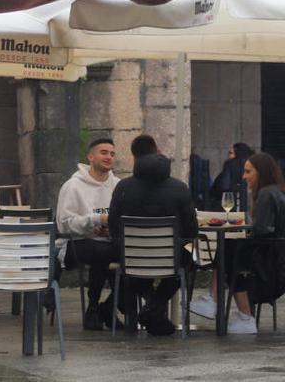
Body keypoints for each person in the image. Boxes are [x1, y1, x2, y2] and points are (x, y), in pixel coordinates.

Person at [108, 134, 198, 336]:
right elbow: (192, 230)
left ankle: (148, 309)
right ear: (157, 152)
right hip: (170, 261)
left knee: (132, 271)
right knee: (186, 262)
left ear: (134, 158)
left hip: (132, 259)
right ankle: (154, 308)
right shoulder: (180, 188)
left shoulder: (123, 188)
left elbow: (113, 226)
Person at [190, 152, 285, 334]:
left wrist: (244, 227)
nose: (244, 176)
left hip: (268, 263)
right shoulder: (276, 191)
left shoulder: (266, 193)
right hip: (274, 258)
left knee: (228, 251)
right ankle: (217, 302)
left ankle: (238, 312)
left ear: (260, 172)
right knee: (228, 249)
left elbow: (262, 230)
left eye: (248, 171)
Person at [55, 138, 121, 330]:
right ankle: (94, 307)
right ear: (90, 157)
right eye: (104, 152)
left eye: (112, 153)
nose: (109, 157)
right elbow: (64, 225)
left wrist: (109, 227)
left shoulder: (117, 185)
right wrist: (95, 220)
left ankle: (107, 306)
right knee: (101, 252)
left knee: (130, 254)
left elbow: (117, 218)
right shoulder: (72, 186)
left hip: (107, 240)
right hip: (76, 242)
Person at [209, 142, 254, 211]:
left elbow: (224, 185)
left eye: (230, 153)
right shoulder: (250, 164)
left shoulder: (230, 164)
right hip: (245, 205)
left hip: (229, 204)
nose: (228, 155)